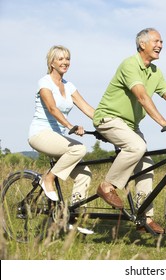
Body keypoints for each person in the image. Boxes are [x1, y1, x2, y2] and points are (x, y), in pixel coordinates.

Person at [93, 28, 166, 234]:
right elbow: (142, 97)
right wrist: (164, 122)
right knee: (137, 146)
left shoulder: (155, 72)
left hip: (130, 125)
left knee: (146, 166)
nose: (160, 45)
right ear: (142, 44)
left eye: (162, 42)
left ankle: (143, 218)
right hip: (109, 118)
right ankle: (106, 186)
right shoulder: (130, 64)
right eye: (156, 41)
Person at [28, 45, 95, 234]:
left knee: (84, 174)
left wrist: (107, 124)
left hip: (58, 137)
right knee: (78, 149)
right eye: (60, 59)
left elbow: (88, 108)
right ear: (51, 63)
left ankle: (71, 217)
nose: (65, 62)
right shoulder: (44, 82)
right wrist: (70, 126)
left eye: (67, 59)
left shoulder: (69, 85)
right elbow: (52, 109)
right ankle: (47, 179)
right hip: (40, 134)